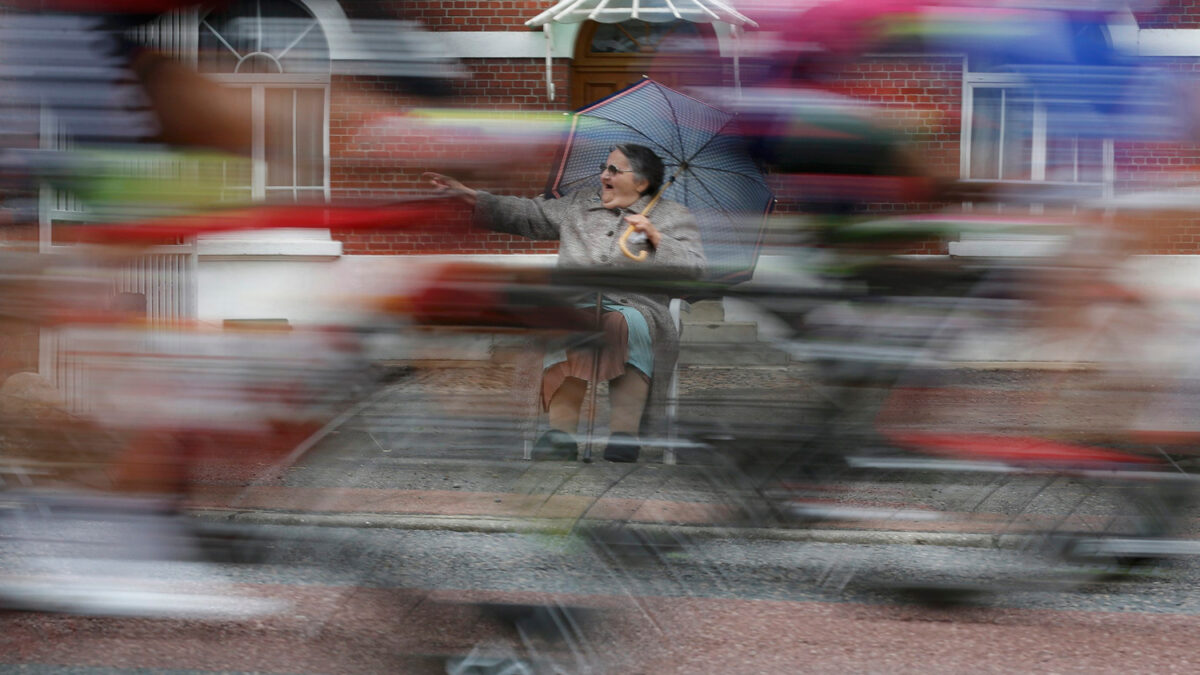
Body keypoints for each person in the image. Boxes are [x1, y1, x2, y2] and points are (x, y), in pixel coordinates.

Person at [425, 144, 706, 462]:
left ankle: (624, 436)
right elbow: (528, 214)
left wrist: (657, 237)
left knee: (627, 325)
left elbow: (695, 270)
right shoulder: (579, 205)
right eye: (605, 167)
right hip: (577, 302)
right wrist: (470, 197)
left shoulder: (672, 216)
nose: (604, 174)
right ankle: (561, 434)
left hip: (637, 306)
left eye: (614, 170)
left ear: (641, 182)